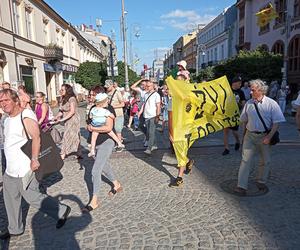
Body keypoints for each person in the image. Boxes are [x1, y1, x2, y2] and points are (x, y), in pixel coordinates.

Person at [0, 89, 71, 240]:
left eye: (6, 100)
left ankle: (61, 210)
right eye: (0, 101)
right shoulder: (6, 119)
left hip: (25, 167)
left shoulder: (25, 116)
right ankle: (15, 229)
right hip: (10, 169)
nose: (3, 104)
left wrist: (34, 159)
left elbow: (37, 137)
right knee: (10, 200)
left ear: (16, 100)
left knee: (31, 197)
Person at [234, 79, 285, 195]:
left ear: (261, 90)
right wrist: (243, 136)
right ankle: (241, 186)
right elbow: (243, 120)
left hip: (265, 136)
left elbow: (276, 123)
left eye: (253, 90)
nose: (250, 92)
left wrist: (269, 137)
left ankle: (261, 181)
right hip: (250, 136)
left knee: (265, 160)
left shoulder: (272, 104)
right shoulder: (249, 103)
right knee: (245, 160)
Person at [83, 87, 122, 212]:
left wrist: (93, 129)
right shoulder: (92, 109)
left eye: (93, 94)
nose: (91, 97)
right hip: (94, 142)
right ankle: (116, 184)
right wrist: (90, 128)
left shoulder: (108, 108)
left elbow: (108, 128)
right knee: (104, 165)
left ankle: (94, 201)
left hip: (107, 141)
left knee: (95, 170)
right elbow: (88, 124)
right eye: (91, 95)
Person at [168, 73, 194, 187]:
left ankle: (179, 177)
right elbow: (170, 118)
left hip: (188, 128)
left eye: (180, 81)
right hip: (177, 129)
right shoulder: (172, 99)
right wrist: (171, 133)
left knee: (181, 151)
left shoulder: (190, 96)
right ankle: (188, 161)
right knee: (180, 151)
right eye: (176, 81)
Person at [88, 93, 125, 157]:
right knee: (111, 133)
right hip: (102, 125)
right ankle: (119, 143)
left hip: (95, 125)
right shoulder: (105, 111)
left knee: (93, 138)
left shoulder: (93, 109)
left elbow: (90, 117)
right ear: (104, 102)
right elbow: (112, 116)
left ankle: (92, 150)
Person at [54, 84, 81, 160]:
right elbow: (61, 111)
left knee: (67, 135)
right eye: (61, 89)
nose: (60, 91)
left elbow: (72, 111)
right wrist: (56, 117)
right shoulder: (62, 99)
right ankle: (79, 152)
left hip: (73, 119)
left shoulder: (72, 99)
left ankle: (63, 153)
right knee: (74, 135)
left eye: (62, 90)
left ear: (67, 91)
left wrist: (62, 119)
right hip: (67, 119)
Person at [222, 76, 246, 155]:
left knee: (235, 132)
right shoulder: (227, 91)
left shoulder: (241, 92)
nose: (240, 85)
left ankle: (237, 141)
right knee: (226, 131)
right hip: (226, 114)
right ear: (234, 83)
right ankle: (226, 148)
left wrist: (239, 104)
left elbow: (243, 103)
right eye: (239, 83)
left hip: (235, 114)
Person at [142, 80, 161, 155]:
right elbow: (144, 105)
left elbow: (158, 106)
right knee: (149, 132)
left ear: (153, 86)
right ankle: (154, 145)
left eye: (148, 86)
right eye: (146, 86)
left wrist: (157, 116)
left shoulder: (156, 95)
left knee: (151, 132)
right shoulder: (146, 94)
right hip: (146, 115)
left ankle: (149, 149)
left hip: (153, 116)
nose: (146, 87)